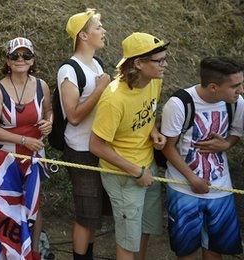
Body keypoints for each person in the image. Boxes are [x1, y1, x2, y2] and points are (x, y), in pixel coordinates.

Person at [89, 32, 168, 260]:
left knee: (144, 228)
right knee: (127, 240)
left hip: (148, 166)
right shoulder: (114, 99)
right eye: (159, 61)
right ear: (139, 63)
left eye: (165, 58)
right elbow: (96, 145)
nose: (164, 65)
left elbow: (147, 113)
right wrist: (136, 171)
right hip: (125, 176)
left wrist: (153, 132)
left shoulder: (154, 81)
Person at [161, 57, 244, 259]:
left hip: (220, 187)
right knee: (187, 250)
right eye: (235, 85)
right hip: (183, 188)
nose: (241, 90)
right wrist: (192, 179)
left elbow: (235, 133)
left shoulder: (237, 103)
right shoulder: (179, 104)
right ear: (214, 87)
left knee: (216, 250)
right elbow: (167, 148)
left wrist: (227, 144)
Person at [0, 37, 52, 258]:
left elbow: (49, 111)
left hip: (34, 155)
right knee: (7, 205)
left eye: (26, 55)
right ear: (8, 61)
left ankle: (32, 251)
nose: (20, 59)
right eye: (15, 56)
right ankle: (8, 251)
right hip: (5, 159)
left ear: (33, 61)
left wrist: (48, 123)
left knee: (34, 203)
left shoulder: (41, 86)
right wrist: (23, 141)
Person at [56, 9, 110, 259]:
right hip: (80, 151)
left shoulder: (96, 64)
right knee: (85, 215)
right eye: (98, 27)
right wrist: (100, 88)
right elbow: (74, 116)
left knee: (94, 214)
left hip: (97, 148)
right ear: (84, 35)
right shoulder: (69, 70)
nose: (103, 31)